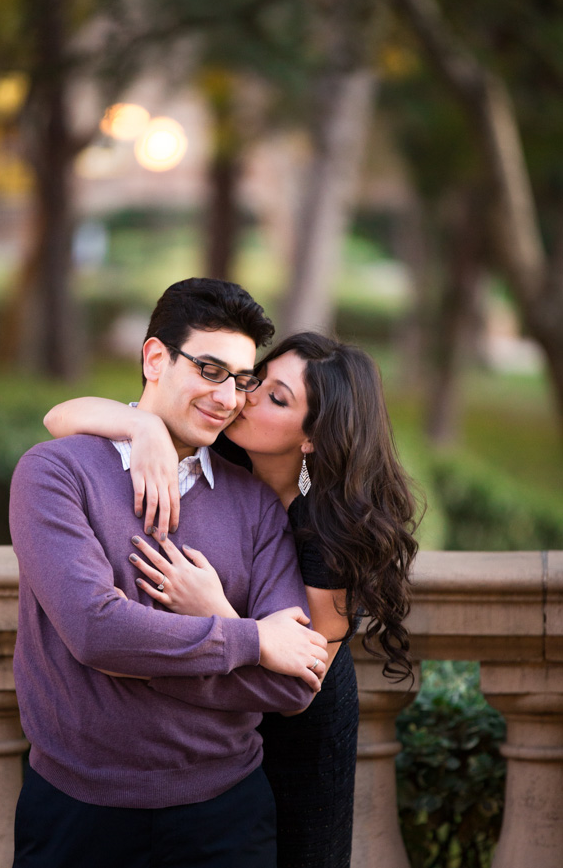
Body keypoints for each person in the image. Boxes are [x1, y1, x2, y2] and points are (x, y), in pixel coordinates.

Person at [45, 329, 421, 868]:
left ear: (312, 436)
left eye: (276, 398)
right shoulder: (221, 447)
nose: (242, 397)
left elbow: (294, 671)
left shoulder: (326, 534)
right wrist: (141, 425)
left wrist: (210, 609)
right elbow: (59, 418)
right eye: (256, 380)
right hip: (206, 736)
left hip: (296, 735)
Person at [10, 278, 330, 868]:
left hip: (227, 817)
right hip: (78, 813)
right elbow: (95, 632)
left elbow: (292, 683)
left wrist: (132, 663)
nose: (230, 397)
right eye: (210, 370)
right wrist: (252, 640)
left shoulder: (255, 503)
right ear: (155, 358)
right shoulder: (55, 474)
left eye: (242, 379)